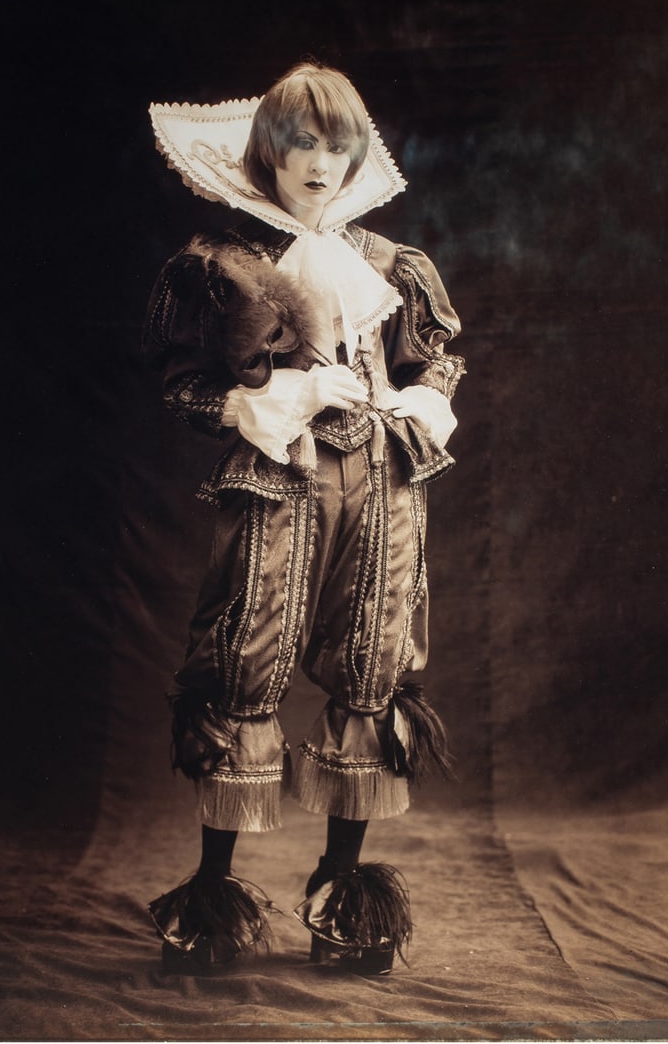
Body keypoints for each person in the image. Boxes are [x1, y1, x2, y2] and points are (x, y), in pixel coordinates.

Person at [143, 63, 464, 976]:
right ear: (270, 153)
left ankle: (343, 895)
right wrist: (272, 399)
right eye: (302, 143)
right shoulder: (223, 267)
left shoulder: (390, 263)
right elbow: (181, 385)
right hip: (280, 482)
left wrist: (418, 400)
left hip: (382, 481)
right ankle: (213, 902)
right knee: (246, 667)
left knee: (372, 669)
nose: (320, 163)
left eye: (337, 145)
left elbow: (438, 360)